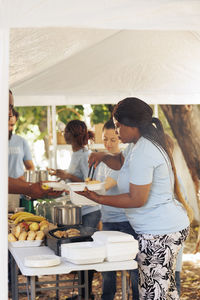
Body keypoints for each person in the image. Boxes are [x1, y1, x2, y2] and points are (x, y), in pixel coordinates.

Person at [78, 97, 192, 300]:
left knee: (152, 294)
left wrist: (98, 198)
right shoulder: (138, 145)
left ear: (132, 124)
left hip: (160, 234)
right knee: (165, 292)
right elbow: (121, 162)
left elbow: (136, 199)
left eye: (118, 126)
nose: (117, 131)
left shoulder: (144, 150)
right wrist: (103, 156)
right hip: (163, 228)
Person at [49, 120, 101, 300]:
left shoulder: (85, 154)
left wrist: (68, 176)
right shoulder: (76, 153)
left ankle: (86, 294)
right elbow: (74, 179)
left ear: (73, 134)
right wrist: (62, 175)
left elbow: (88, 181)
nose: (63, 134)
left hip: (90, 210)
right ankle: (83, 293)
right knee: (80, 252)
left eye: (66, 131)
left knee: (86, 253)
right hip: (80, 209)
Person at [95, 119, 138, 300]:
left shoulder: (123, 160)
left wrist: (85, 190)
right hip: (108, 220)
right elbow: (98, 187)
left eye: (113, 139)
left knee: (133, 266)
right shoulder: (102, 161)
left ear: (120, 139)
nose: (109, 143)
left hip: (126, 221)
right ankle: (108, 297)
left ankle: (137, 296)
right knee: (107, 267)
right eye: (105, 139)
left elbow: (106, 185)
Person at [8, 90, 62, 199]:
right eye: (7, 106)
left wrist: (31, 186)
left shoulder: (20, 141)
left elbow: (30, 167)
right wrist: (30, 188)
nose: (10, 113)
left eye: (11, 107)